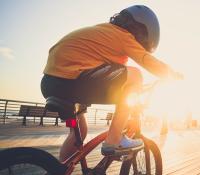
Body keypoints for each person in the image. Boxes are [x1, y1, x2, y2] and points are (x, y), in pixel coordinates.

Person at [41, 5, 181, 162]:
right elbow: (146, 61)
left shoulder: (104, 32)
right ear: (143, 30)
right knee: (135, 75)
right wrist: (172, 74)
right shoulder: (123, 36)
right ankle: (113, 140)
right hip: (73, 82)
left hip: (51, 83)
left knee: (79, 131)